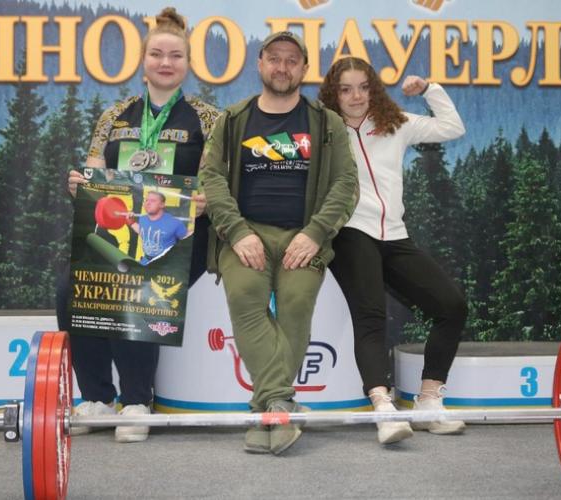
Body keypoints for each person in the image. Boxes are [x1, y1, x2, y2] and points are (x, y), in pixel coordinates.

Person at [60, 6, 219, 443]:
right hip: (119, 233)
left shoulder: (207, 118)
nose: (165, 63)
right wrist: (80, 185)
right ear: (142, 61)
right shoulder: (114, 116)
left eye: (175, 56)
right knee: (71, 288)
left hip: (179, 238)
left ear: (188, 64)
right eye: (157, 54)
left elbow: (213, 181)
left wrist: (204, 199)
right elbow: (94, 171)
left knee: (136, 279)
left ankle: (136, 401)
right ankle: (97, 397)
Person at [199, 31, 358, 455]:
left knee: (296, 303)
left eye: (291, 60)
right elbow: (211, 178)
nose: (282, 67)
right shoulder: (233, 119)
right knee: (245, 297)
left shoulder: (326, 123)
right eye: (274, 58)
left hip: (302, 236)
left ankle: (265, 407)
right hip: (245, 233)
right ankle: (280, 405)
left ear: (304, 68)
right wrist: (237, 231)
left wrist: (315, 233)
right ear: (260, 64)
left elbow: (345, 183)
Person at [317, 56, 468, 444]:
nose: (356, 96)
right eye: (346, 89)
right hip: (351, 232)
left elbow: (452, 127)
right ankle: (383, 407)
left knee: (451, 306)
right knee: (371, 315)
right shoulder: (324, 130)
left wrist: (429, 90)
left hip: (395, 235)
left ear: (374, 89)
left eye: (363, 87)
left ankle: (429, 400)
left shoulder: (393, 122)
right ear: (334, 93)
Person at [129, 191, 189, 264]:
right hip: (146, 261)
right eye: (146, 200)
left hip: (165, 265)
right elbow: (143, 233)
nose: (147, 203)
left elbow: (187, 242)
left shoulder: (175, 223)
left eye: (153, 201)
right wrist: (131, 222)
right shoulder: (142, 219)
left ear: (162, 205)